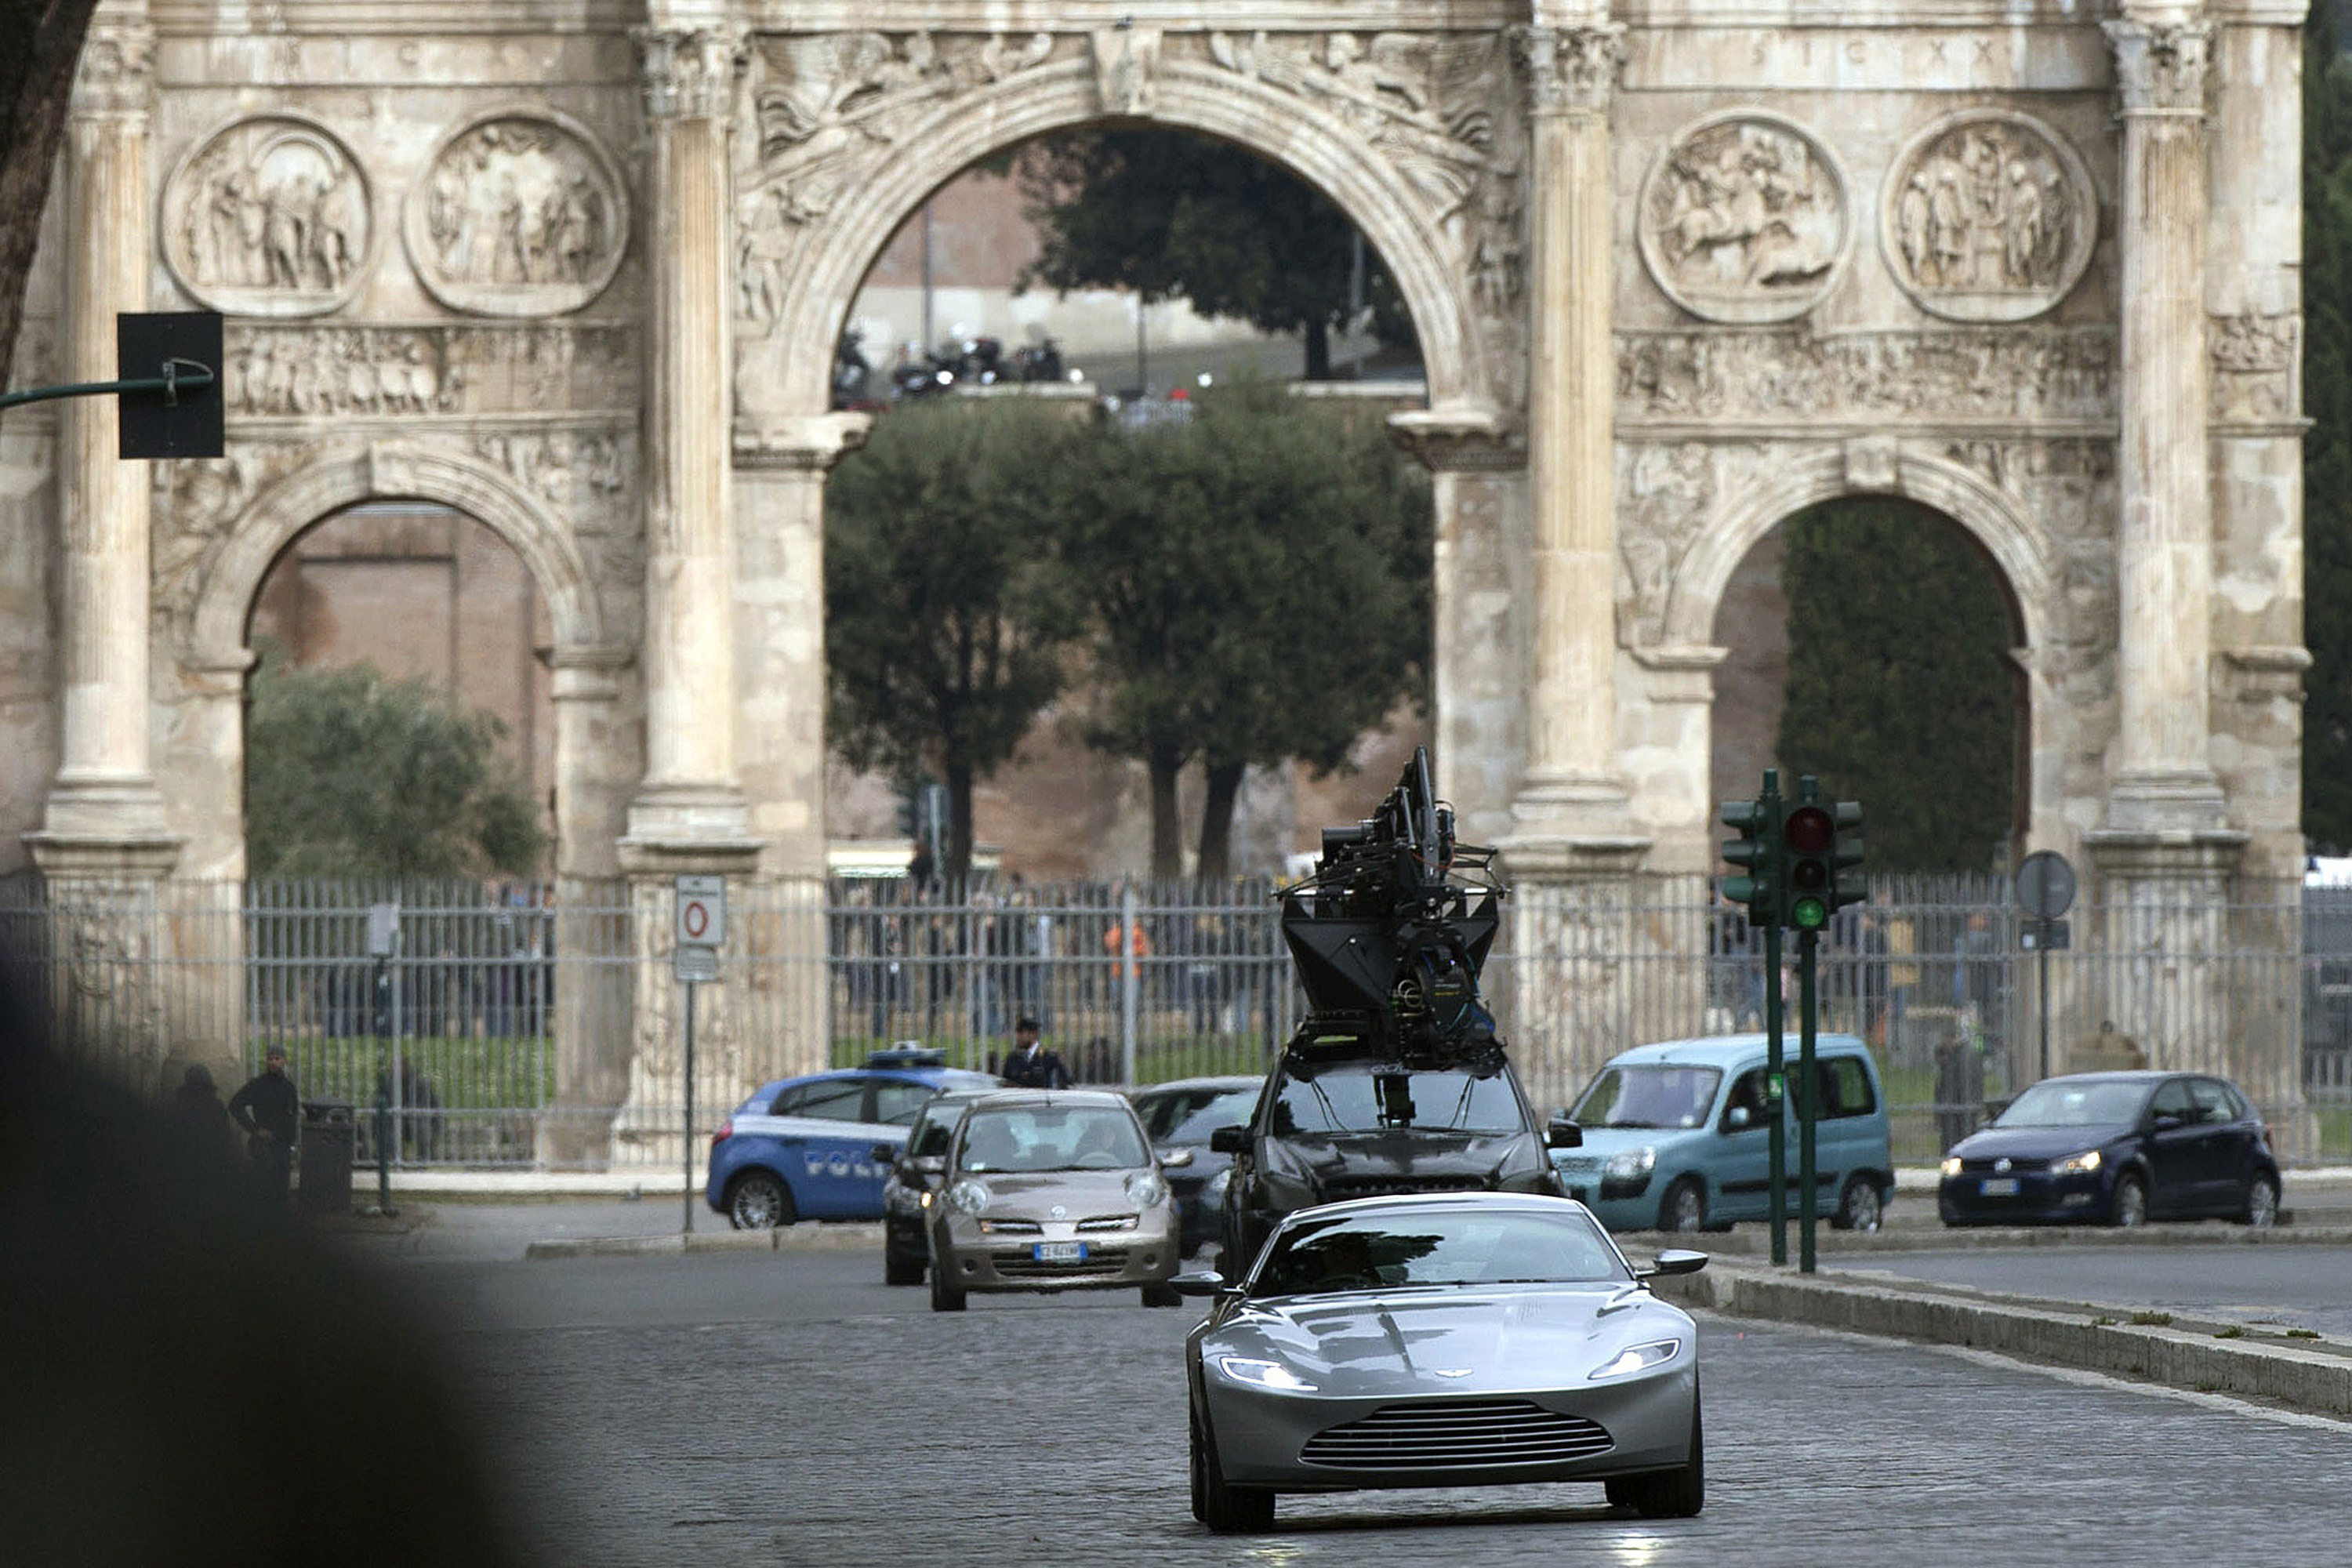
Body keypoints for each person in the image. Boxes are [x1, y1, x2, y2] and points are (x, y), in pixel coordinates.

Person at [229, 1044, 302, 1203]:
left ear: (284, 1061)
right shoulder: (258, 1085)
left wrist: (291, 1143)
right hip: (263, 1146)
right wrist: (254, 1129)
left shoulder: (289, 1088)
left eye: (277, 1059)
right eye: (270, 1059)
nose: (273, 1062)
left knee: (280, 1193)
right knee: (262, 1190)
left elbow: (292, 1117)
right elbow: (235, 1104)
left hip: (282, 1147)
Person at [166, 1063, 236, 1166]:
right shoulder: (216, 1105)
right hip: (211, 1159)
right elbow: (224, 1136)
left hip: (185, 1160)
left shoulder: (179, 1105)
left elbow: (171, 1135)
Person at [998, 1017, 1069, 1089]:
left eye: (1021, 1034)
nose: (1018, 1038)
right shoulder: (1012, 1058)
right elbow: (1006, 1084)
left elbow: (1062, 1084)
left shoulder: (1049, 1057)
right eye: (1018, 1034)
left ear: (1033, 1035)